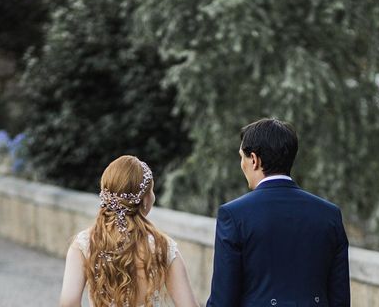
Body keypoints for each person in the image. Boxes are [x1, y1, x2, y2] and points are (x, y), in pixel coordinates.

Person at [207, 118, 351, 307]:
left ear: (254, 159)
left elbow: (223, 300)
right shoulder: (329, 214)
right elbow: (340, 299)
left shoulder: (234, 215)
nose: (241, 163)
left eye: (242, 156)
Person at [59, 155, 199, 307]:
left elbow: (69, 303)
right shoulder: (163, 247)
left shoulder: (85, 244)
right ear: (145, 200)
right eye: (151, 191)